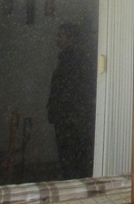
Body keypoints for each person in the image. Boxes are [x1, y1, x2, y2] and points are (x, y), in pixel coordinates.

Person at [46, 23, 97, 180]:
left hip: (70, 118)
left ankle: (74, 184)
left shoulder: (73, 60)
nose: (57, 38)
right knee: (72, 156)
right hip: (70, 117)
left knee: (71, 156)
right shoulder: (71, 58)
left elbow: (69, 90)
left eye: (61, 35)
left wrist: (61, 111)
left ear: (71, 38)